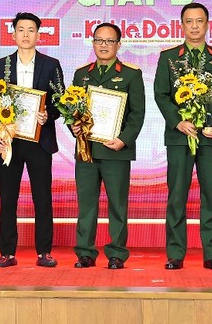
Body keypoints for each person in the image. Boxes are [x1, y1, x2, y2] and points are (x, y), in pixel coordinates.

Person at [154, 2, 212, 271]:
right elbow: (161, 95)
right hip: (179, 137)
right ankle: (175, 253)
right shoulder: (168, 57)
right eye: (189, 21)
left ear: (207, 25)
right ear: (181, 25)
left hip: (211, 137)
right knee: (177, 195)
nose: (194, 26)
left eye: (199, 21)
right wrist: (177, 122)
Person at [0, 12, 63, 268]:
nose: (26, 34)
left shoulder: (51, 64)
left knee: (42, 198)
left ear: (39, 35)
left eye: (31, 30)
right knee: (8, 198)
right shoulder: (1, 65)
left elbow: (60, 100)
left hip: (39, 141)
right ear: (13, 34)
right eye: (21, 29)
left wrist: (48, 114)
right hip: (9, 142)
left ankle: (44, 252)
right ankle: (7, 252)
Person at [70, 22, 145, 270]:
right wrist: (74, 126)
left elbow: (137, 114)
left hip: (117, 151)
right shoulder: (82, 74)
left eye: (109, 41)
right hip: (87, 150)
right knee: (86, 205)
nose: (104, 45)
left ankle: (117, 253)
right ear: (93, 43)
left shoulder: (131, 74)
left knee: (117, 205)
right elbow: (72, 108)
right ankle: (85, 252)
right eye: (99, 40)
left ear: (118, 45)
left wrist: (124, 139)